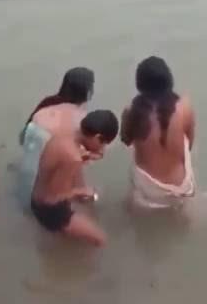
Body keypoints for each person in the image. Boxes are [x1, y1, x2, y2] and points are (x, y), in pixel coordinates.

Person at [31, 110, 119, 246]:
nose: (102, 148)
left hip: (36, 196)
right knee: (101, 240)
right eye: (103, 143)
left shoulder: (65, 135)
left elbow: (60, 162)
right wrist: (82, 192)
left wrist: (85, 156)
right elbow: (52, 198)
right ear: (97, 137)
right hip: (49, 211)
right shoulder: (73, 158)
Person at [120, 56, 196, 210]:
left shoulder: (131, 111)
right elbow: (190, 142)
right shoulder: (184, 107)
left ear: (139, 83)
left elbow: (126, 140)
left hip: (148, 187)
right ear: (169, 80)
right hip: (180, 185)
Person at [17, 67, 96, 209]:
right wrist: (85, 194)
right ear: (88, 92)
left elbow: (22, 138)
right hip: (45, 189)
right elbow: (75, 162)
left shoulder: (47, 103)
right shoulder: (78, 119)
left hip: (25, 175)